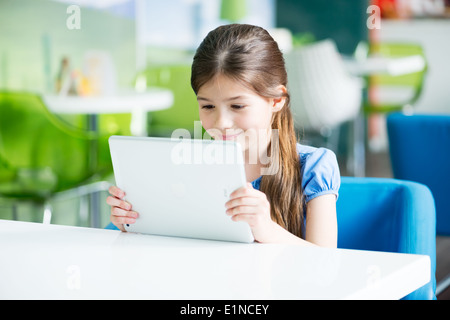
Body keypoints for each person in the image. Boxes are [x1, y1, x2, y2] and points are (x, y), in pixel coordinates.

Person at [106, 24, 340, 247]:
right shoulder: (190, 165)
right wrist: (134, 222)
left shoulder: (313, 166)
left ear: (277, 100)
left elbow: (326, 261)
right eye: (208, 107)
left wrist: (266, 229)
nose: (221, 123)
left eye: (237, 106)